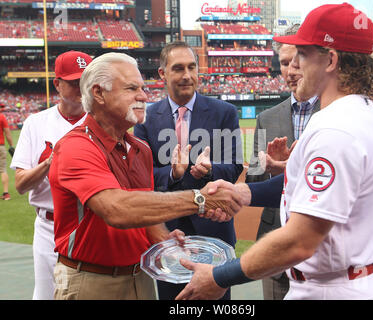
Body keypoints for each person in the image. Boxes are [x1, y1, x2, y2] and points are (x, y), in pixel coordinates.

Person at [176, 3, 373, 300]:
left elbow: (300, 241)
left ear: (331, 60)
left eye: (303, 55)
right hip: (353, 278)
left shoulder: (336, 129)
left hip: (334, 289)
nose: (295, 67)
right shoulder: (363, 112)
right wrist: (245, 193)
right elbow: (310, 185)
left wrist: (220, 276)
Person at [48, 52, 241, 300]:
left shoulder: (140, 149)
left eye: (142, 87)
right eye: (131, 88)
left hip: (141, 277)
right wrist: (199, 199)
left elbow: (142, 209)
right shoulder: (76, 146)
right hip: (91, 280)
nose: (143, 96)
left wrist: (163, 238)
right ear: (98, 93)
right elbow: (117, 209)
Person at [134, 41, 243, 300]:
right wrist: (174, 173)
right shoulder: (145, 118)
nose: (187, 75)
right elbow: (141, 175)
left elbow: (234, 166)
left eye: (192, 67)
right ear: (163, 73)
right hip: (169, 237)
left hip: (214, 232)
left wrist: (207, 170)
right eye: (178, 68)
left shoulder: (224, 112)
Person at [245, 23, 319, 300]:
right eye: (284, 63)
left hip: (320, 248)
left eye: (297, 61)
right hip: (275, 248)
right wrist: (266, 167)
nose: (290, 70)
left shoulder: (336, 111)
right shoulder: (267, 118)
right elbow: (252, 179)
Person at [10, 50, 93, 299]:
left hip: (90, 224)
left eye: (86, 81)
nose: (81, 87)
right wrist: (49, 163)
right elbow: (21, 185)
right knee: (47, 294)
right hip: (49, 225)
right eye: (74, 81)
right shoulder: (36, 123)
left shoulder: (102, 122)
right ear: (57, 84)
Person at [0, 107, 13, 200]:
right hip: (0, 146)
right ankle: (6, 193)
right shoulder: (1, 117)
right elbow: (7, 133)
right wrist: (11, 145)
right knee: (3, 170)